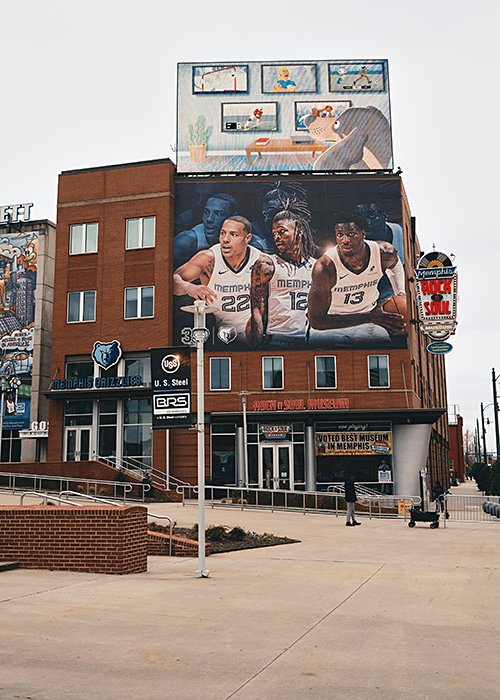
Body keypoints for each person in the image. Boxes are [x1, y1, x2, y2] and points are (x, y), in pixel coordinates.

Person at [307, 213, 406, 346]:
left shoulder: (384, 253)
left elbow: (396, 266)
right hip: (331, 324)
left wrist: (400, 292)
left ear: (362, 233)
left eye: (350, 233)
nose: (345, 240)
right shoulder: (325, 267)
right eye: (340, 234)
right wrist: (369, 317)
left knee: (386, 351)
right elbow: (317, 322)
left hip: (368, 320)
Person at [173, 216, 262, 348]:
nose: (225, 239)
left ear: (247, 238)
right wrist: (189, 287)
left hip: (255, 333)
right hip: (223, 333)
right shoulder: (208, 259)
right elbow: (172, 283)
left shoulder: (261, 261)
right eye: (222, 233)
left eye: (234, 234)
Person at [247, 196, 320, 348]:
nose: (277, 237)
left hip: (311, 340)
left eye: (282, 232)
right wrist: (256, 348)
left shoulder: (317, 267)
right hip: (279, 339)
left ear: (299, 231)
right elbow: (257, 311)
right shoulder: (266, 265)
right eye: (274, 233)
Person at [174, 193, 266, 269]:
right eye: (206, 212)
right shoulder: (186, 241)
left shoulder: (249, 240)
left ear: (232, 217)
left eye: (218, 214)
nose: (209, 219)